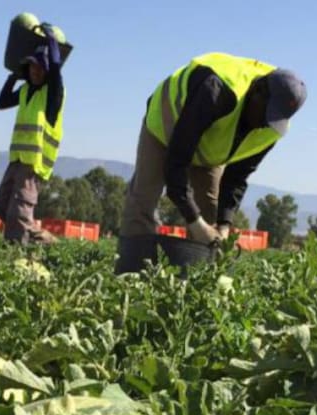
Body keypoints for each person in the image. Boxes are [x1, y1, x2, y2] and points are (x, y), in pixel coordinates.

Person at [115, 53, 306, 273]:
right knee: (143, 200)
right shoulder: (218, 88)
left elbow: (237, 177)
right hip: (166, 126)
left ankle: (191, 282)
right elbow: (176, 162)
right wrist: (194, 221)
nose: (265, 123)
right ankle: (131, 276)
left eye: (274, 118)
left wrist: (224, 225)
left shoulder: (272, 128)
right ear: (257, 91)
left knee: (208, 212)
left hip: (210, 149)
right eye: (266, 113)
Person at [0, 24, 65, 245]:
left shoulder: (52, 95)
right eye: (32, 66)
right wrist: (13, 77)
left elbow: (56, 71)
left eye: (40, 67)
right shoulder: (25, 91)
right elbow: (1, 103)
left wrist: (52, 41)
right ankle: (45, 240)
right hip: (16, 161)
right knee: (3, 207)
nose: (35, 71)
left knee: (19, 212)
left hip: (34, 165)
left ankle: (14, 253)